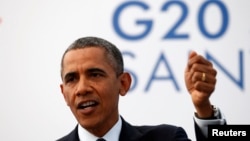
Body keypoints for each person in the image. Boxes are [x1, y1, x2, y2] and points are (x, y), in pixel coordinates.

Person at [57, 36, 226, 141]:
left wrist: (203, 107)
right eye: (71, 79)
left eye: (95, 74)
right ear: (64, 94)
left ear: (123, 84)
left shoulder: (167, 138)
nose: (82, 89)